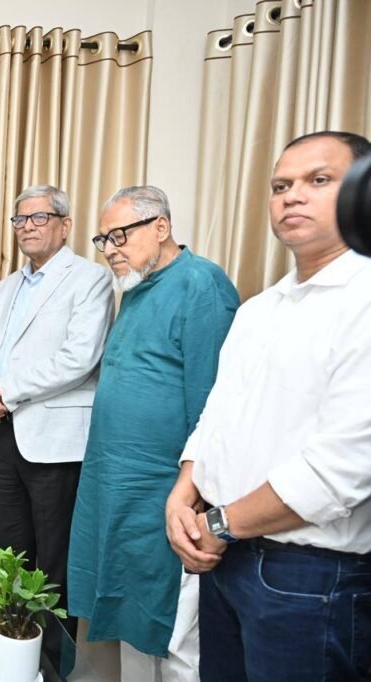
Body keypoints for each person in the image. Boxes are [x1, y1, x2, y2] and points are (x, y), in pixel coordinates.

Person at [166, 131, 371, 681]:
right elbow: (217, 415)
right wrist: (182, 495)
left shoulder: (364, 300)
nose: (292, 195)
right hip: (226, 558)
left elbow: (344, 467)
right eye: (281, 186)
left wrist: (219, 523)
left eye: (318, 180)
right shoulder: (259, 309)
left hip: (309, 575)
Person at [68, 185, 240, 682]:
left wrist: (194, 494)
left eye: (119, 235)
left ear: (161, 227)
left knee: (174, 633)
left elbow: (212, 402)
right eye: (103, 239)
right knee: (130, 619)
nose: (109, 249)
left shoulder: (201, 284)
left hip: (167, 490)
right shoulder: (136, 289)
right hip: (116, 486)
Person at [0, 184, 113, 654]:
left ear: (64, 225)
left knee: (53, 558)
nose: (27, 227)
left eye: (39, 217)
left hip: (54, 442)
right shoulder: (7, 285)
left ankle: (50, 659)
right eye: (20, 219)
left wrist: (5, 390)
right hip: (3, 433)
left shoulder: (90, 279)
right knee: (10, 552)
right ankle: (10, 648)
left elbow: (79, 359)